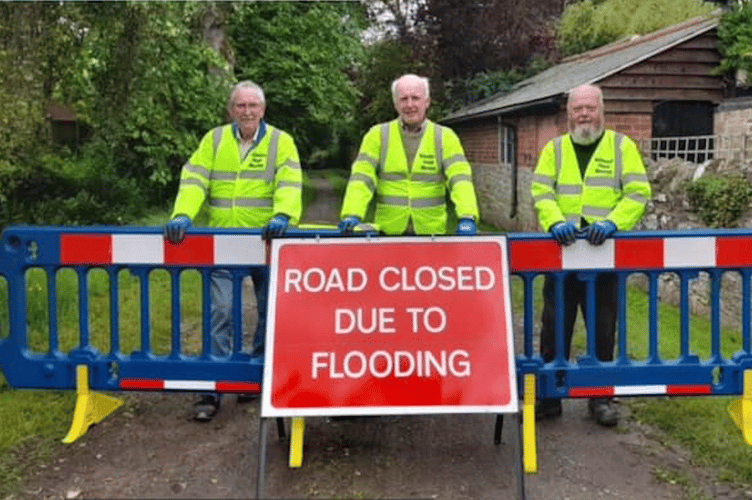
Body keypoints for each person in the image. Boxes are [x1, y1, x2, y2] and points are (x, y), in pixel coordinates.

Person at [164, 80, 302, 422]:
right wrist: (183, 213)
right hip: (223, 244)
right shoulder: (214, 140)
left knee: (269, 312)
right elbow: (195, 180)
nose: (247, 112)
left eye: (253, 105)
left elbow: (289, 182)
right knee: (221, 310)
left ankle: (252, 377)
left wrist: (283, 214)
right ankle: (212, 385)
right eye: (241, 106)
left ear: (263, 109)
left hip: (266, 243)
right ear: (231, 110)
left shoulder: (281, 142)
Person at [530, 84, 651, 427]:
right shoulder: (553, 149)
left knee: (602, 328)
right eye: (577, 108)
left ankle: (600, 398)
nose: (583, 114)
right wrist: (554, 221)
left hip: (603, 255)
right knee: (555, 326)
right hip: (563, 255)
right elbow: (541, 190)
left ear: (602, 110)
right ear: (568, 113)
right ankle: (550, 396)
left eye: (590, 108)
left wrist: (614, 222)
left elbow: (638, 192)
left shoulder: (620, 146)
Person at [338, 73, 479, 236]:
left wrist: (467, 216)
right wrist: (352, 214)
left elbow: (460, 179)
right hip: (387, 233)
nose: (410, 104)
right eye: (403, 99)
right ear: (396, 105)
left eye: (415, 98)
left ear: (427, 102)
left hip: (431, 235)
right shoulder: (377, 135)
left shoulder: (445, 137)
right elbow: (362, 179)